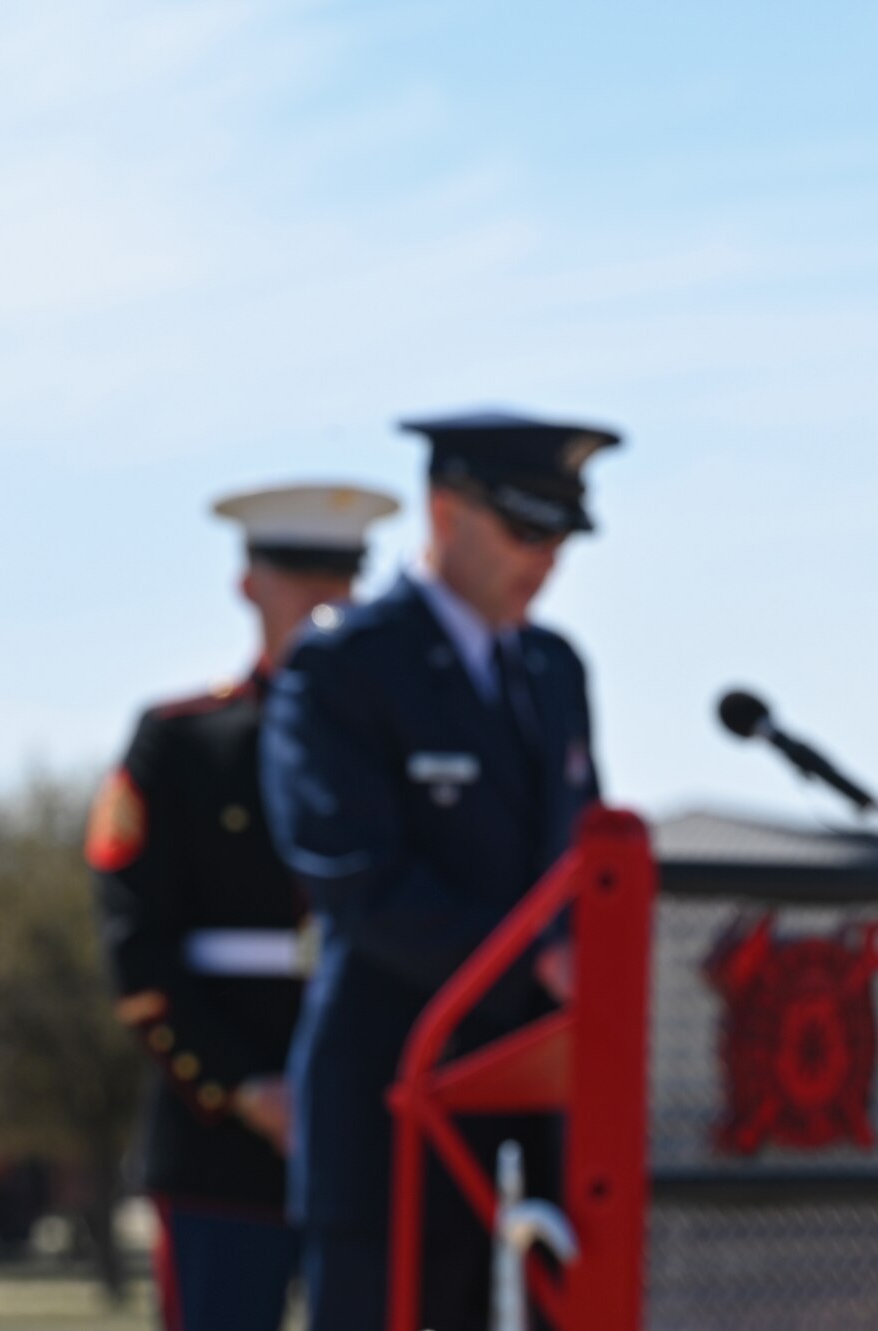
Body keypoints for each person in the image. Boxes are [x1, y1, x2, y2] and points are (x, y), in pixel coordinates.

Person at [260, 410, 618, 1331]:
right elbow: (355, 877)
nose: (548, 559)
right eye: (526, 528)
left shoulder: (553, 669)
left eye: (562, 534)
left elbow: (582, 862)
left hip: (540, 1122)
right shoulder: (345, 666)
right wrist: (533, 962)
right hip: (391, 1112)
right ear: (446, 510)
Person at [89, 482, 400, 1331]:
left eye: (340, 576)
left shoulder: (398, 745)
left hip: (373, 1129)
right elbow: (137, 945)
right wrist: (244, 1088)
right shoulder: (183, 741)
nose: (320, 598)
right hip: (219, 1142)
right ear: (248, 583)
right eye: (297, 573)